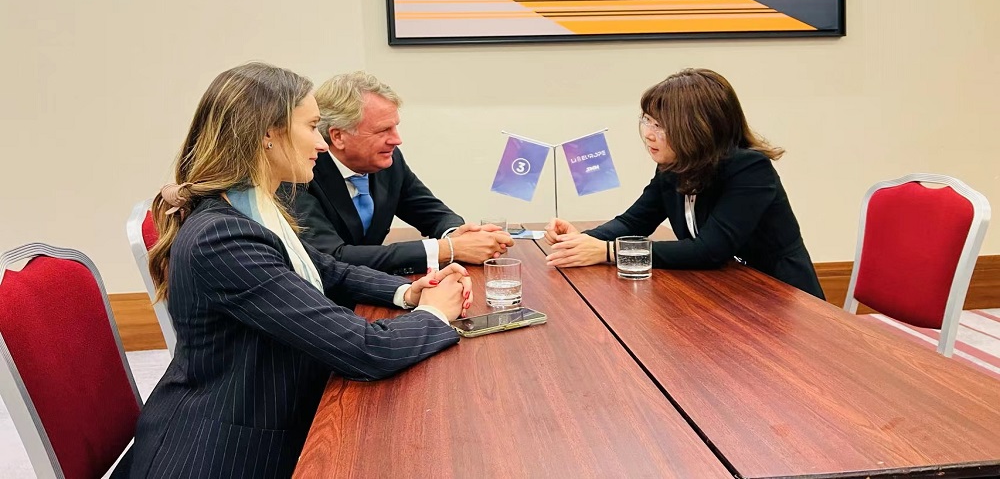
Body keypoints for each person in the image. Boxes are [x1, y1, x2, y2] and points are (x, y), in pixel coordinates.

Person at [118, 63, 472, 479]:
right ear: (268, 135)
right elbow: (365, 350)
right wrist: (434, 313)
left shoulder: (250, 206)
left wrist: (407, 292)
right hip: (220, 454)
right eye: (311, 127)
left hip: (265, 414)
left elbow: (328, 269)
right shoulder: (224, 237)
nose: (322, 143)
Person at [543, 68, 825, 299]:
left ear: (698, 129)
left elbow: (709, 250)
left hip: (779, 296)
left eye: (660, 126)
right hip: (728, 291)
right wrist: (583, 240)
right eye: (647, 121)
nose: (648, 134)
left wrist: (609, 252)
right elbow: (634, 222)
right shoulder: (674, 166)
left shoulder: (749, 168)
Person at [287, 71, 513, 275]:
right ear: (338, 136)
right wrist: (446, 249)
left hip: (378, 288)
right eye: (383, 130)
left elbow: (433, 213)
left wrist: (456, 235)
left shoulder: (388, 161)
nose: (397, 140)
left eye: (395, 126)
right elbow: (332, 257)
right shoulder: (298, 173)